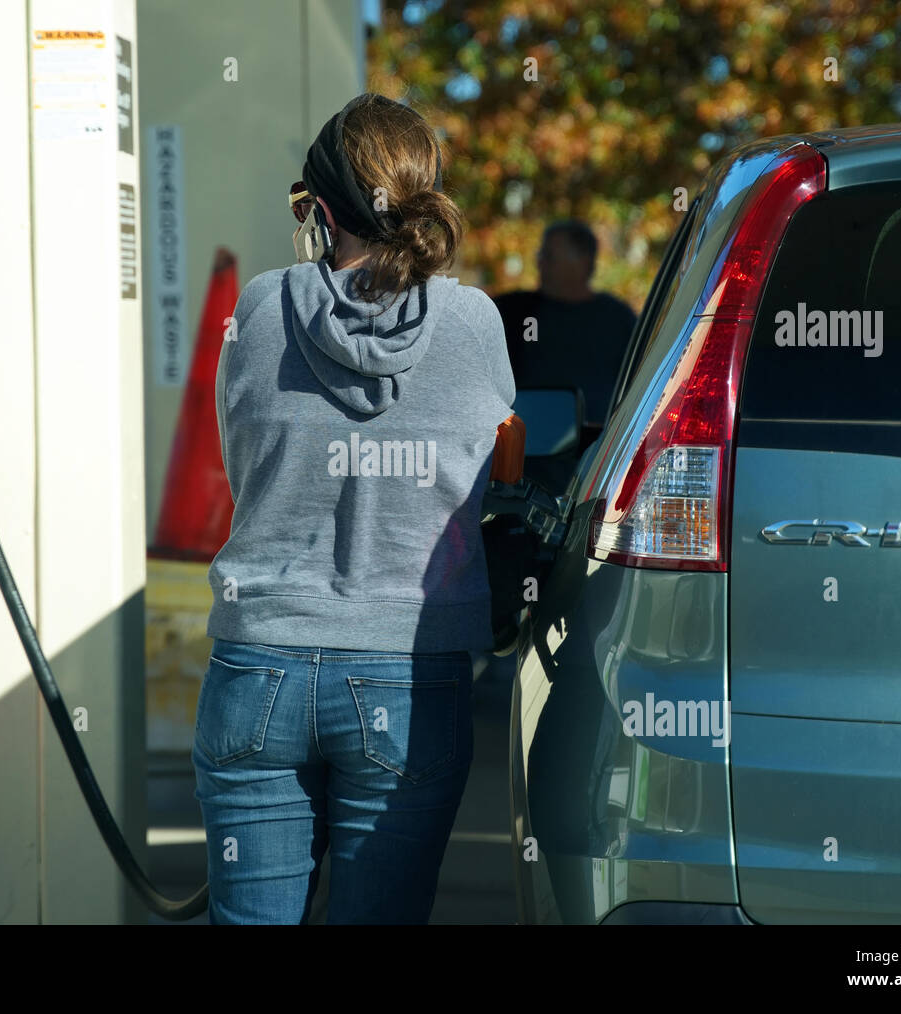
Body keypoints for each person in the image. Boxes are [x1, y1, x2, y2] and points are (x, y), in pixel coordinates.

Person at [195, 92, 515, 924]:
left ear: (318, 212)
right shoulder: (475, 323)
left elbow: (248, 468)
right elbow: (483, 477)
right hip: (407, 673)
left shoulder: (263, 308)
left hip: (258, 666)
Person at [493, 219, 637, 426]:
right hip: (526, 443)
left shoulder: (618, 320)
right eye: (541, 255)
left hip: (595, 449)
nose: (540, 263)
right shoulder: (513, 311)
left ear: (583, 262)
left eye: (549, 256)